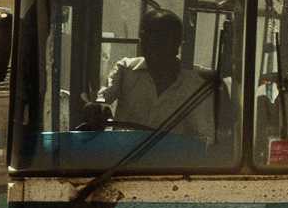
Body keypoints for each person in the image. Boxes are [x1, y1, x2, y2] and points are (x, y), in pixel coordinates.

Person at [93, 9, 219, 144]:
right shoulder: (125, 70)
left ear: (177, 45)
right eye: (146, 40)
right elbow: (103, 98)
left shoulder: (195, 86)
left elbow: (205, 137)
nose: (152, 48)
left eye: (161, 42)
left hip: (168, 162)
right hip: (122, 160)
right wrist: (97, 107)